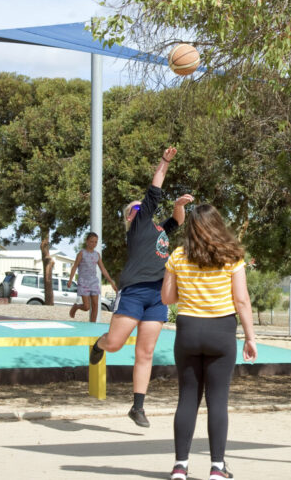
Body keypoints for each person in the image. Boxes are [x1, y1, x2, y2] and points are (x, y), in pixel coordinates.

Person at [89, 147, 194, 428]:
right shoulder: (136, 228)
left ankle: (137, 407)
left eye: (141, 207)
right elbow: (154, 191)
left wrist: (179, 206)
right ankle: (98, 343)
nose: (141, 209)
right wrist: (164, 162)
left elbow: (175, 221)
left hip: (158, 294)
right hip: (134, 291)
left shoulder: (157, 230)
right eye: (135, 208)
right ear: (129, 217)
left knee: (145, 353)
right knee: (114, 344)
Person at [161, 203, 257, 480]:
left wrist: (191, 291)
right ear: (218, 224)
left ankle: (180, 466)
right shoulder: (231, 256)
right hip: (221, 330)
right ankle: (217, 467)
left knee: (187, 399)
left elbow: (167, 298)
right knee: (218, 401)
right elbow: (241, 300)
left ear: (191, 226)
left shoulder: (178, 256)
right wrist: (250, 338)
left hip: (188, 329)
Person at [68, 232, 116, 323]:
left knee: (95, 305)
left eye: (95, 242)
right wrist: (70, 279)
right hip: (83, 282)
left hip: (93, 282)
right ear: (87, 241)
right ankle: (76, 307)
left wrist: (111, 282)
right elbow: (74, 266)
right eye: (91, 241)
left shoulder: (97, 255)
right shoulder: (81, 253)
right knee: (86, 307)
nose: (93, 244)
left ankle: (92, 325)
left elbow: (103, 269)